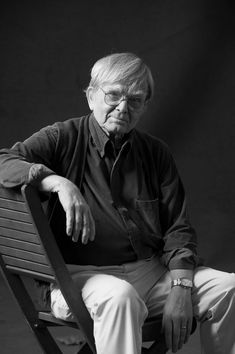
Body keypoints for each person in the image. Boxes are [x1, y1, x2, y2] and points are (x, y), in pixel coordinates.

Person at [0, 52, 234, 354]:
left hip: (150, 273)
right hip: (78, 279)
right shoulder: (63, 137)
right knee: (119, 297)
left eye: (135, 100)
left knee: (227, 288)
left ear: (145, 106)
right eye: (113, 95)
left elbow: (178, 228)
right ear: (91, 96)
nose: (123, 108)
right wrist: (59, 183)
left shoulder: (155, 153)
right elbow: (3, 160)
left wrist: (180, 286)